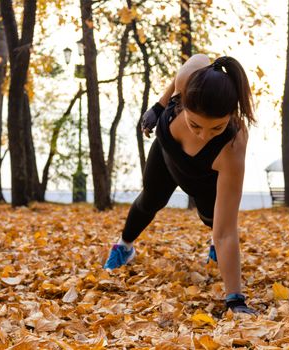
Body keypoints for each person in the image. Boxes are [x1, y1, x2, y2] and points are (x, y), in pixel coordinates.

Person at [104, 54, 256, 314]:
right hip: (166, 153)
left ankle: (216, 252)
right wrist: (158, 106)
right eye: (195, 124)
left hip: (204, 178)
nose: (203, 135)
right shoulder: (192, 72)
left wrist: (235, 299)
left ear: (230, 116)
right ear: (183, 101)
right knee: (150, 200)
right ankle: (124, 248)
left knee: (213, 222)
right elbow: (177, 79)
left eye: (216, 129)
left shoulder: (233, 145)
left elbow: (227, 231)